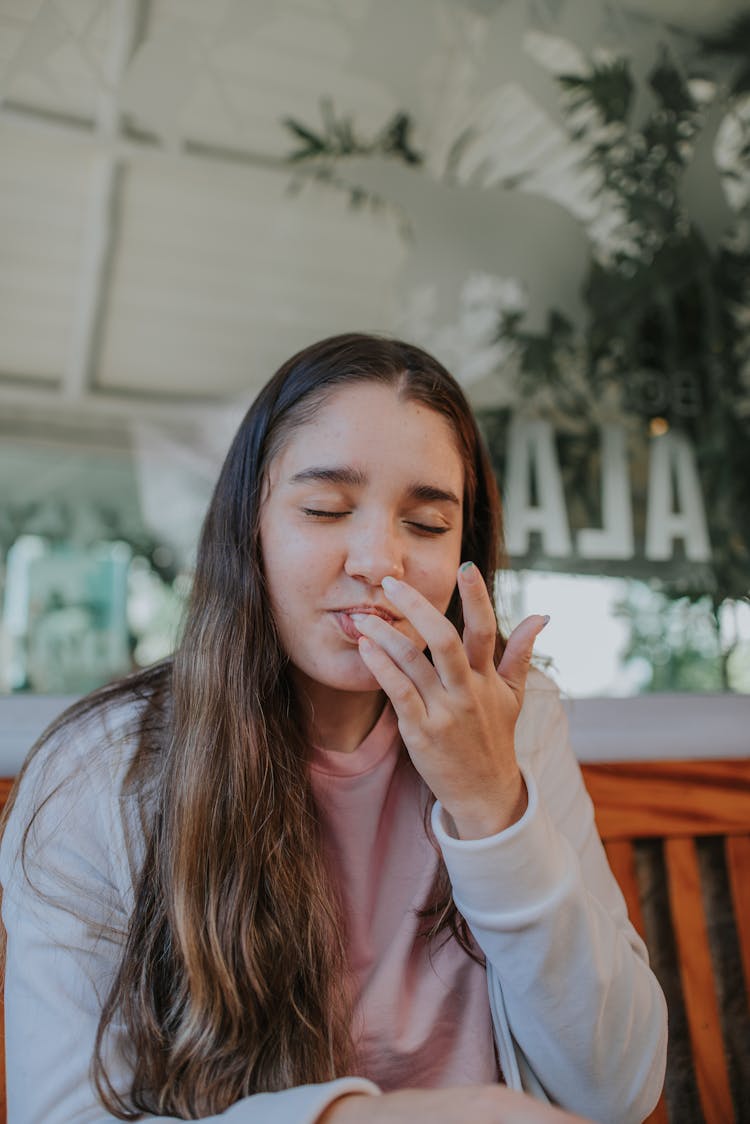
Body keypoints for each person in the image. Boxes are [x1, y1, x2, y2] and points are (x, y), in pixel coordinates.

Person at [0, 333, 667, 1124]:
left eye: (425, 524)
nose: (378, 561)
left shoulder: (515, 725)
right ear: (249, 526)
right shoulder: (101, 770)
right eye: (325, 509)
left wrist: (493, 807)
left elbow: (621, 1090)